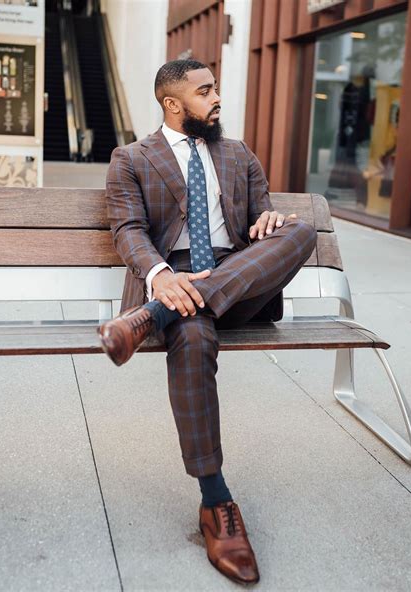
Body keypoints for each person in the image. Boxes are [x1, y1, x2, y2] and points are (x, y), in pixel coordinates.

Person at [100, 59, 317, 586]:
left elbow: (261, 218)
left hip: (237, 282)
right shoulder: (131, 157)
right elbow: (127, 228)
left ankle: (147, 319)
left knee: (300, 230)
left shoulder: (239, 153)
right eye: (205, 91)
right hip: (170, 277)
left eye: (214, 88)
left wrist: (267, 221)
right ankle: (215, 503)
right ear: (173, 104)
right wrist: (159, 275)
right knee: (193, 337)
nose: (217, 97)